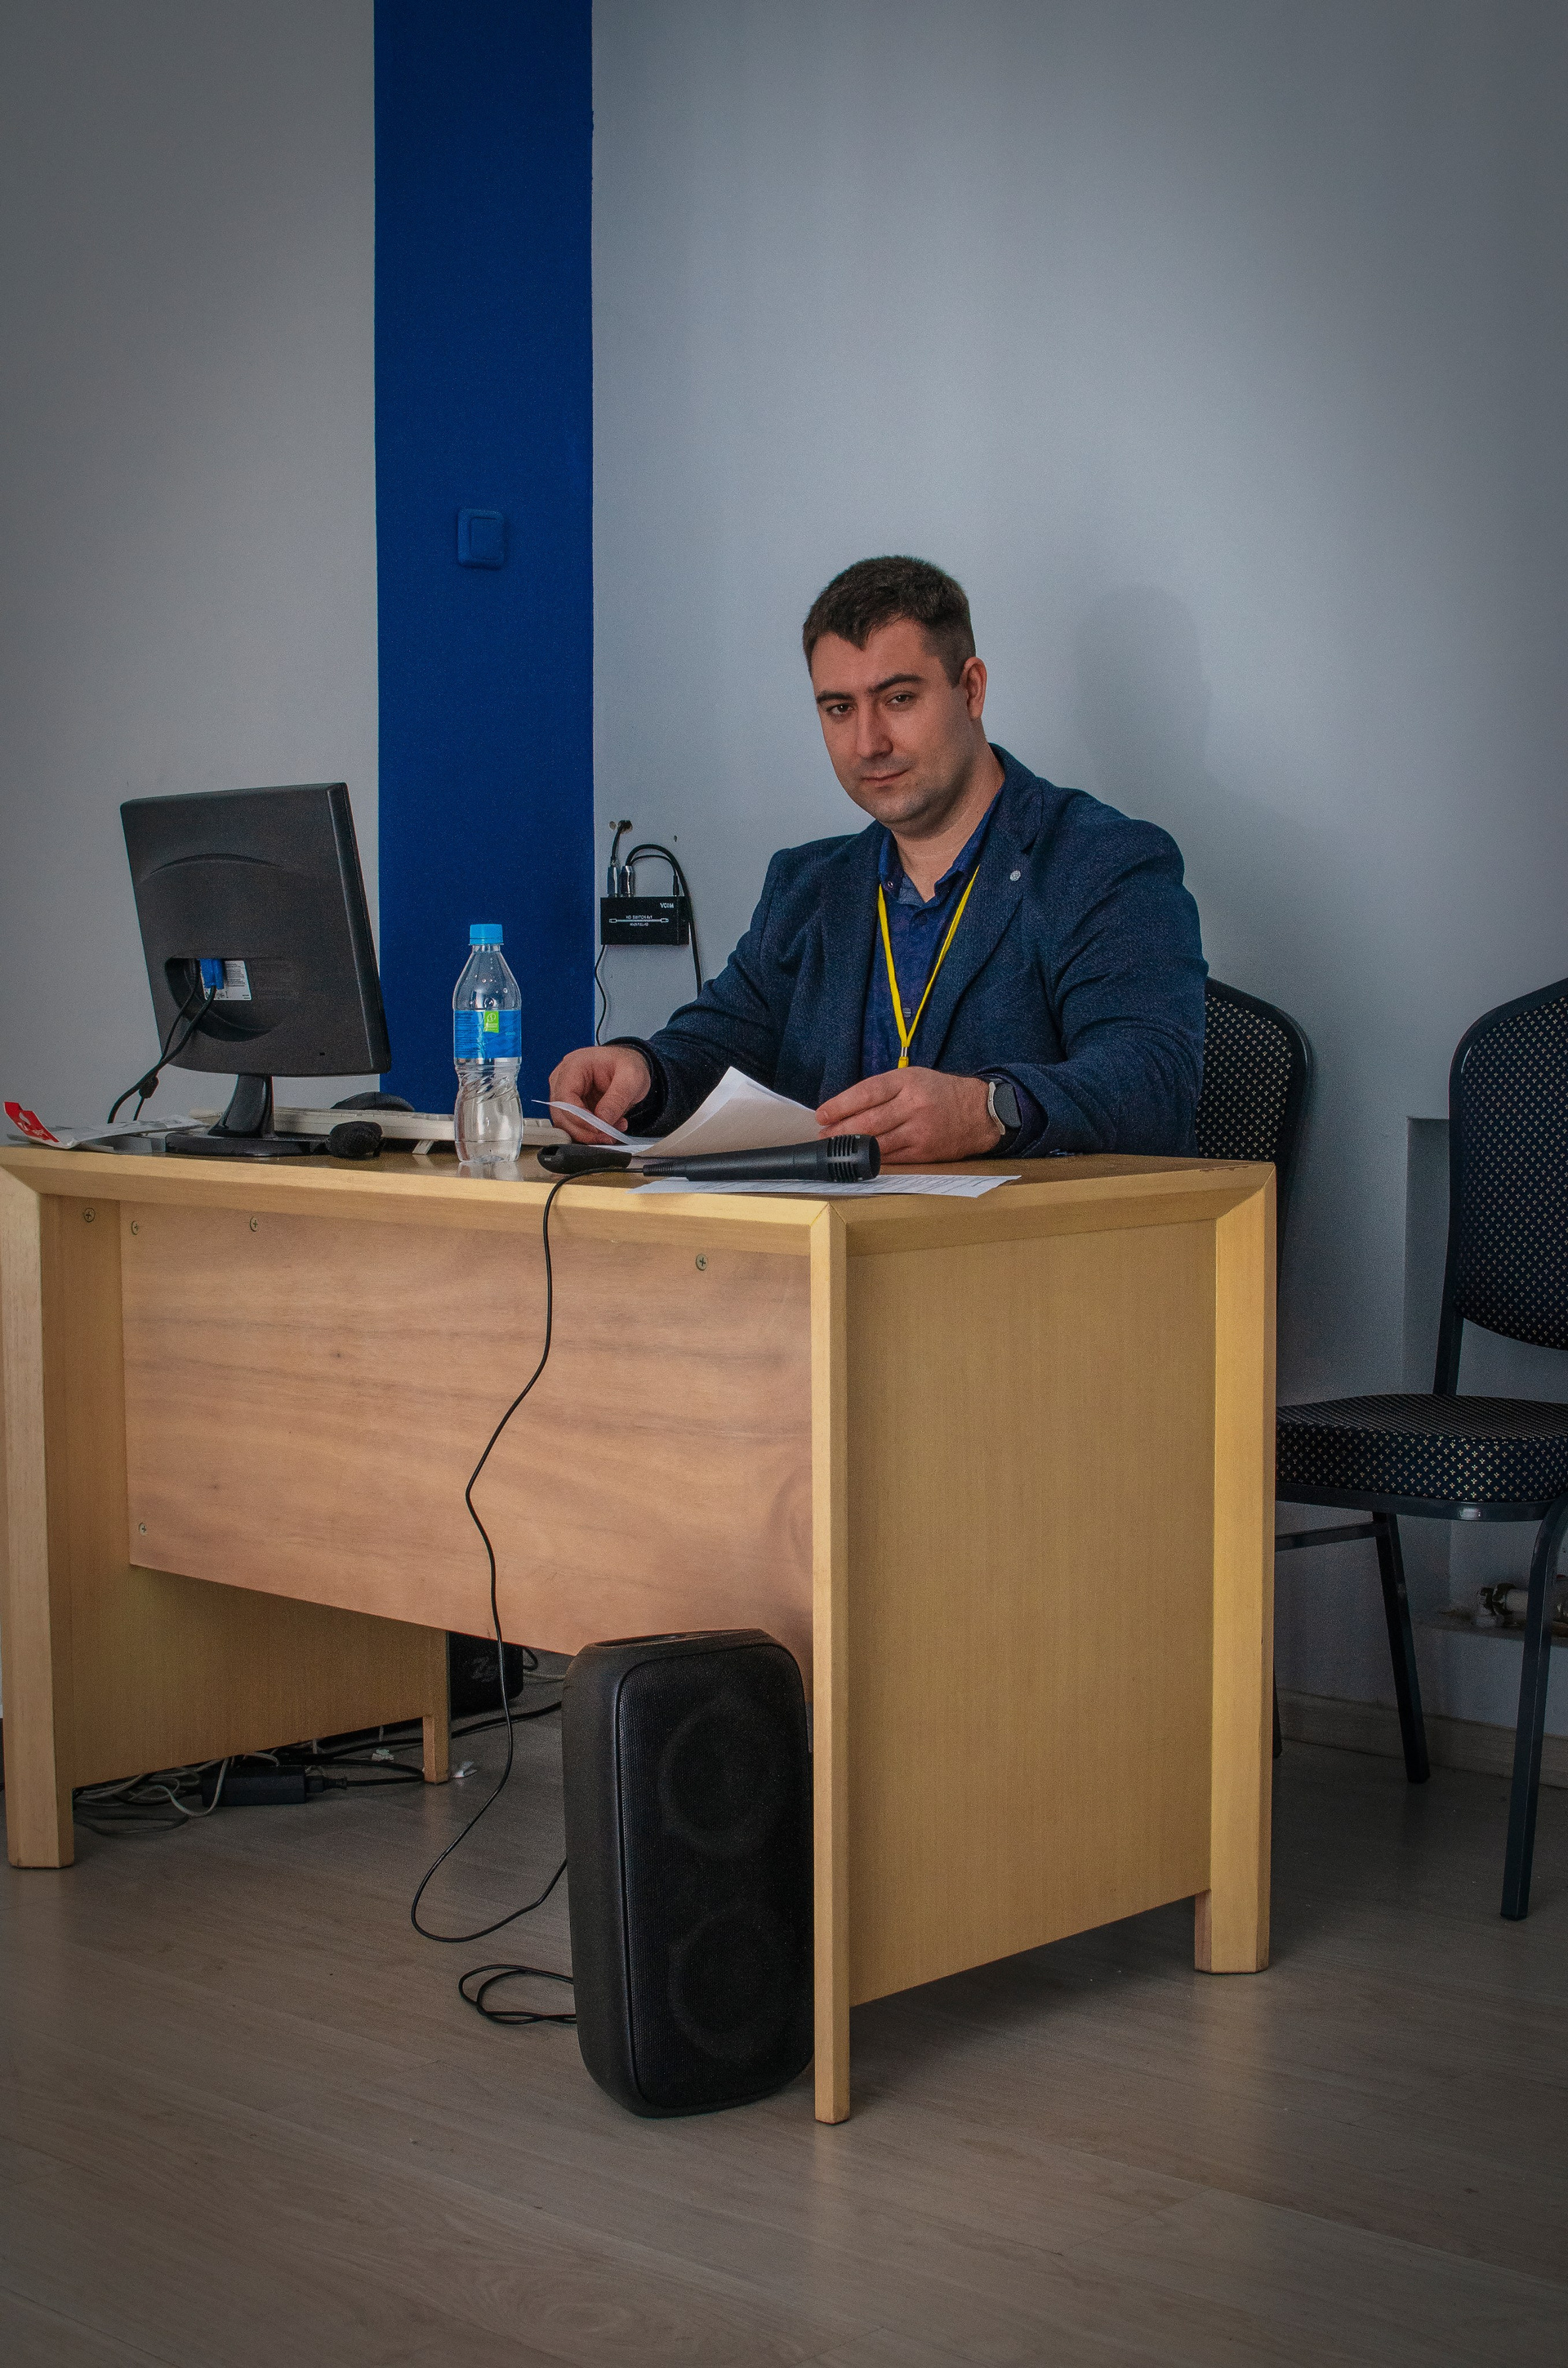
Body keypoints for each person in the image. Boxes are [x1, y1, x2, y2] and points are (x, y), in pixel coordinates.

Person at [550, 555, 1205, 1162]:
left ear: (971, 689)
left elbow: (1152, 1079)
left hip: (1025, 1245)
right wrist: (643, 1071)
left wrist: (988, 1109)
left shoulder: (1104, 864)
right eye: (840, 709)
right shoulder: (807, 887)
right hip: (832, 1242)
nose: (868, 742)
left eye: (898, 699)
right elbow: (718, 1049)